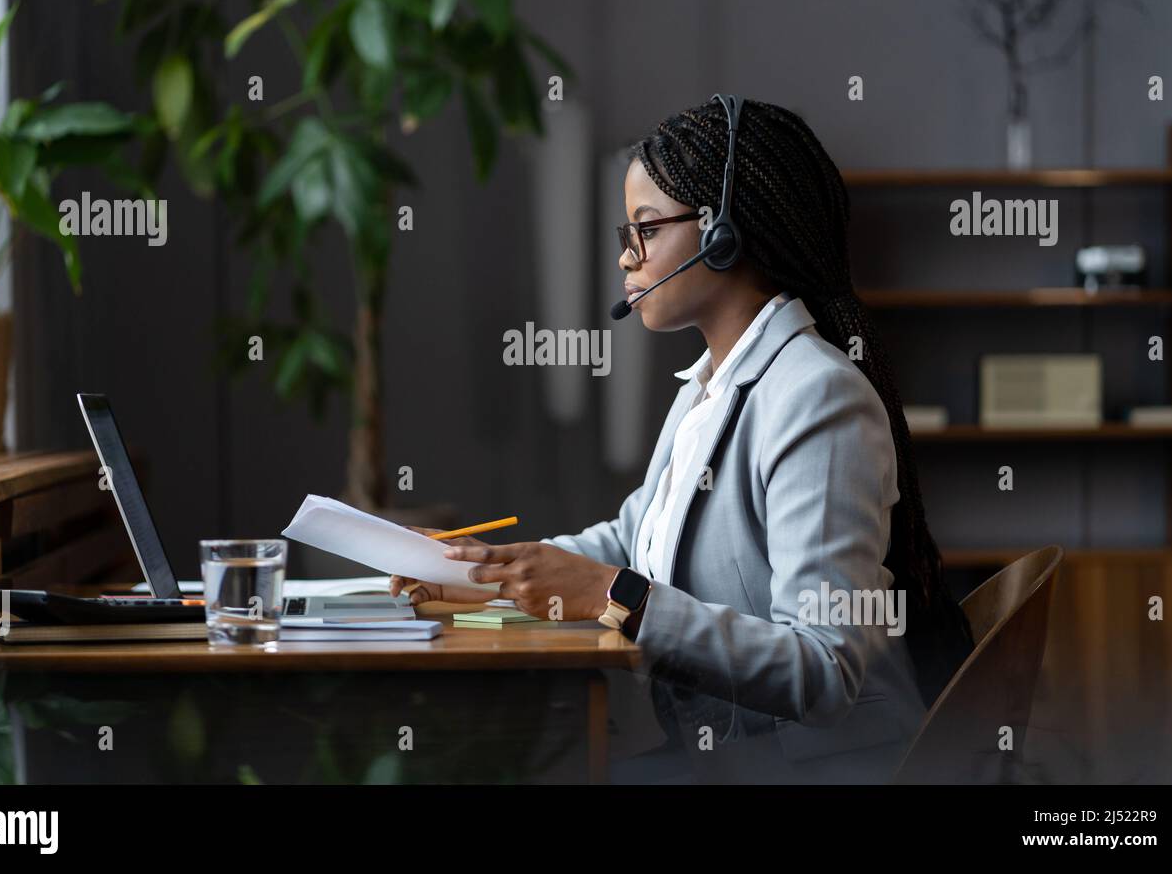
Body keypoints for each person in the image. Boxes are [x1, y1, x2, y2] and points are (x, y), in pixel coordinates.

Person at [392, 96, 975, 783]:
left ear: (723, 234)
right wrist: (488, 576)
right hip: (733, 756)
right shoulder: (708, 386)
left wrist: (619, 595)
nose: (624, 257)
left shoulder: (816, 397)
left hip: (818, 769)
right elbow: (633, 535)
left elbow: (825, 669)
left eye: (645, 229)